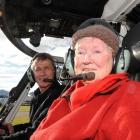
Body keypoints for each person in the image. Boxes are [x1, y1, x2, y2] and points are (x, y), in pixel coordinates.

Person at [30, 18, 140, 140]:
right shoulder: (64, 97)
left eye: (97, 51)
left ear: (118, 60)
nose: (86, 60)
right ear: (70, 61)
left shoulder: (131, 97)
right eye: (81, 52)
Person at [0, 52, 64, 140]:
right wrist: (11, 129)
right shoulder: (36, 97)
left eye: (47, 68)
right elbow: (33, 124)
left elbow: (37, 131)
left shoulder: (60, 94)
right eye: (38, 69)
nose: (42, 73)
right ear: (32, 74)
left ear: (54, 71)